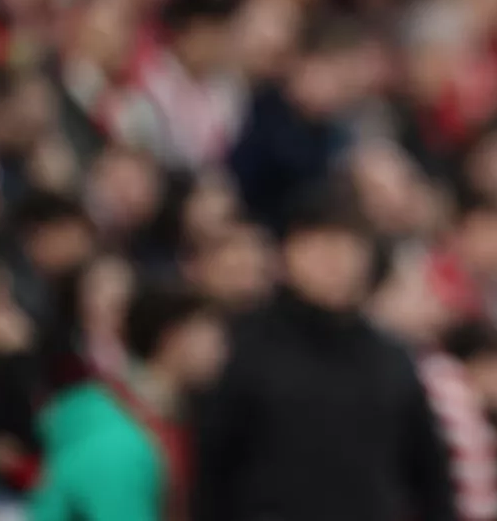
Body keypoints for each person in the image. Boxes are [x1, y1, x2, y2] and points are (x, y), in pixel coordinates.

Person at [192, 186, 456, 521]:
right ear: (288, 254)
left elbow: (430, 477)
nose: (336, 260)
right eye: (321, 245)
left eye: (349, 245)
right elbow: (214, 474)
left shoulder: (392, 359)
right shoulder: (247, 351)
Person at [29, 282, 226, 521]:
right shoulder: (118, 435)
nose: (222, 351)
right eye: (210, 336)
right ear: (172, 338)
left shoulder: (171, 418)